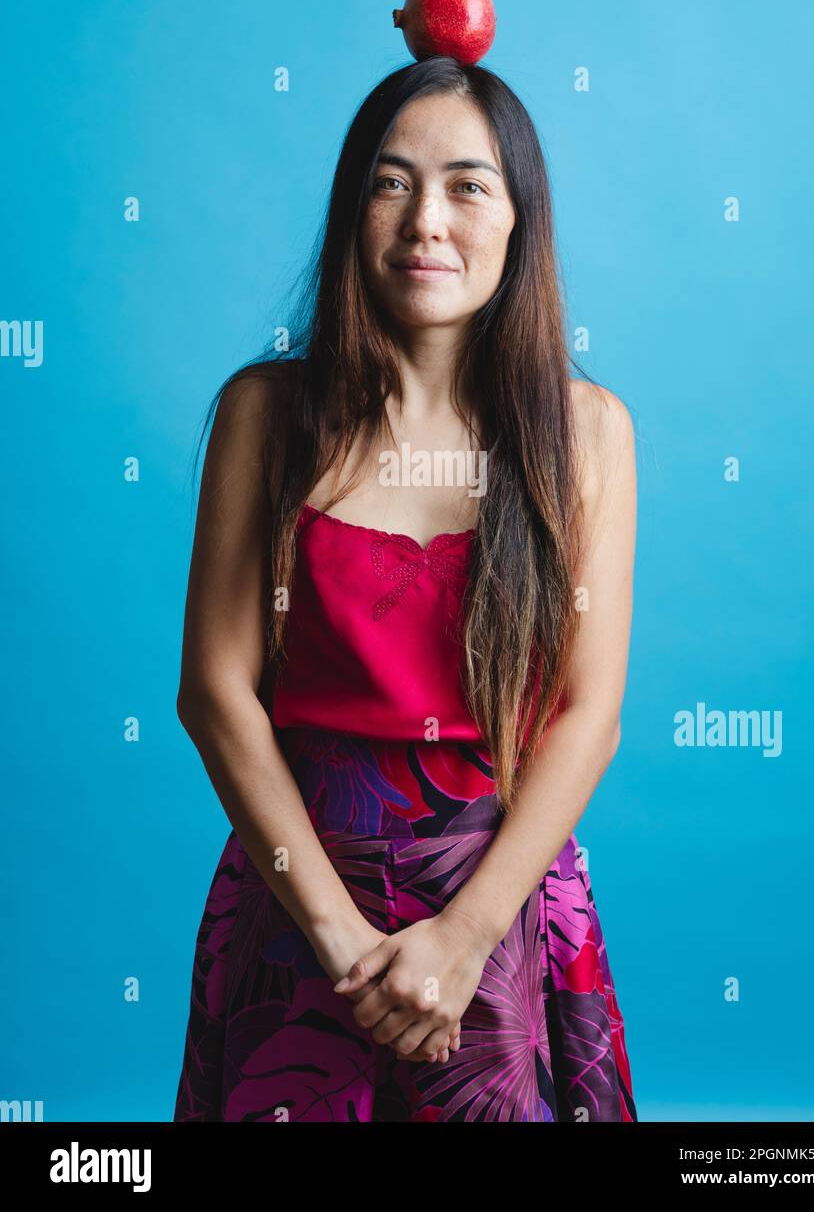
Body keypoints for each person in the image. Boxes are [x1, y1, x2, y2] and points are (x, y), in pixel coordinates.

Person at [172, 55, 638, 1122]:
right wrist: (341, 940)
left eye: (468, 185)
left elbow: (586, 714)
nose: (426, 219)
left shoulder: (588, 435)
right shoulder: (264, 413)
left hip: (501, 898)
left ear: (520, 220)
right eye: (391, 182)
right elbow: (214, 693)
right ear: (352, 210)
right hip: (299, 891)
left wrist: (466, 935)